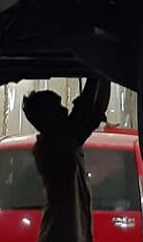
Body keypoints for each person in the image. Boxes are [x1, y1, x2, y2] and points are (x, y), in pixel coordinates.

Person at [21, 76, 112, 242]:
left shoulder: (61, 144)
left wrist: (102, 76)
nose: (65, 110)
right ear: (48, 117)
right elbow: (83, 113)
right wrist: (96, 73)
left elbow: (91, 114)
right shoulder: (54, 146)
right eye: (58, 107)